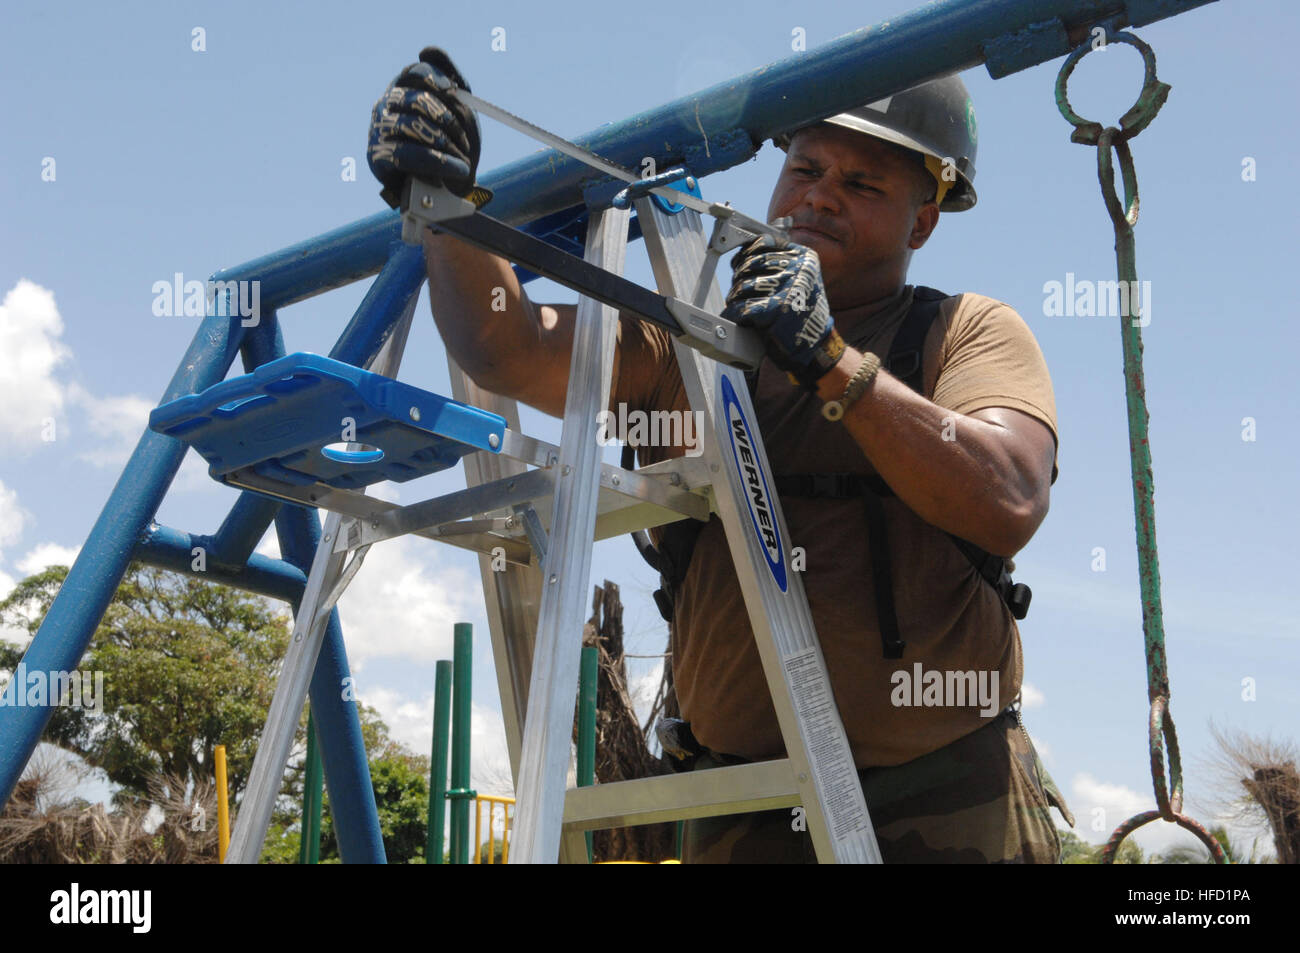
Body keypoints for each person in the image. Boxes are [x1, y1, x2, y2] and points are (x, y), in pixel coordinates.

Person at [368, 47, 1075, 863]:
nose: (819, 196)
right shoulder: (685, 340)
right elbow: (508, 346)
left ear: (922, 220)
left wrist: (829, 361)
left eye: (862, 183)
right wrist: (444, 205)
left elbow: (1009, 497)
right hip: (741, 803)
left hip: (947, 799)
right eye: (806, 168)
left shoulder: (965, 331)